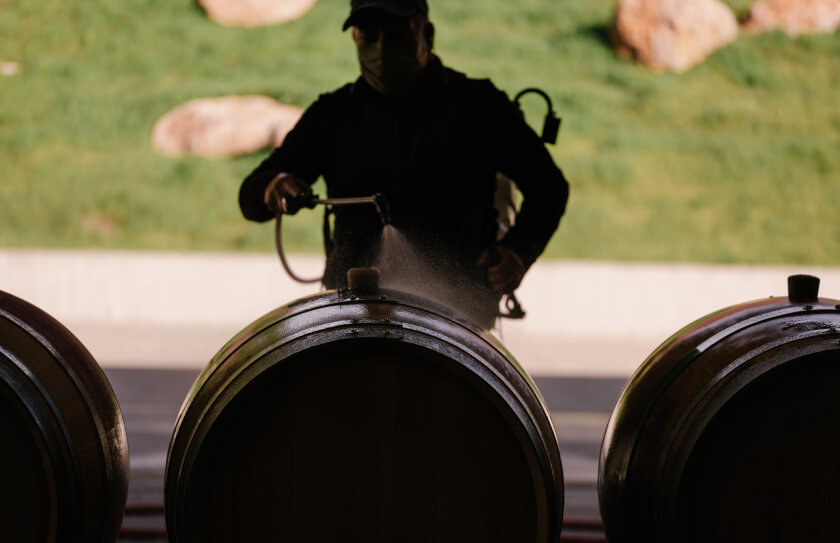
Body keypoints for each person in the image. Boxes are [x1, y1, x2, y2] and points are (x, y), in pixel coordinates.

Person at [239, 0, 570, 329]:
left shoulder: (479, 107)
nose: (382, 48)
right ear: (355, 38)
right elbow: (252, 194)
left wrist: (518, 252)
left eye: (396, 35)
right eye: (369, 35)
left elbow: (549, 187)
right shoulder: (334, 115)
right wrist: (274, 185)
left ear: (427, 34)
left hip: (459, 324)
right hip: (353, 320)